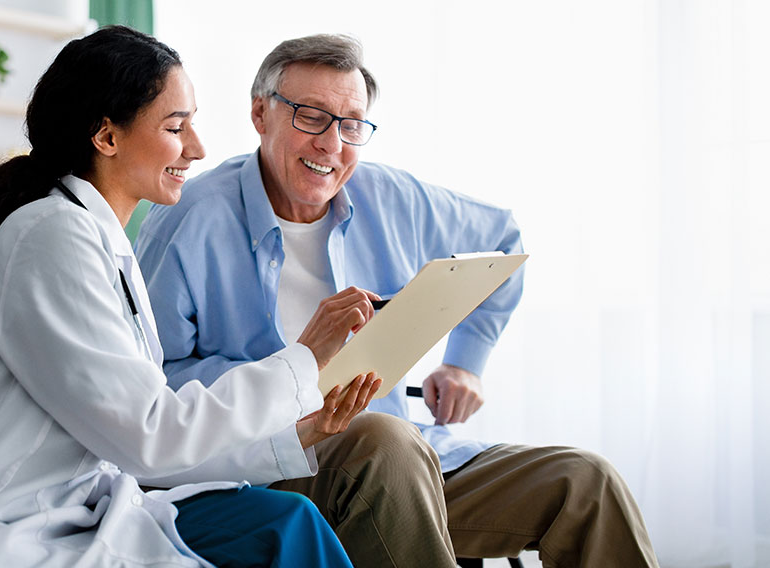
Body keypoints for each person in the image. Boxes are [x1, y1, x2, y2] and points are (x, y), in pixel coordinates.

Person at [135, 34, 658, 567]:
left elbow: (503, 240)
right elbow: (153, 389)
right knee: (383, 440)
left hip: (407, 462)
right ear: (260, 114)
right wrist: (294, 376)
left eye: (351, 124)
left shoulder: (392, 197)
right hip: (271, 465)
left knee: (584, 483)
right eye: (311, 117)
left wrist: (464, 364)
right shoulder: (186, 221)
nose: (332, 145)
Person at [0, 26, 382, 568]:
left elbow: (137, 448)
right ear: (107, 136)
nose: (197, 148)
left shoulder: (102, 243)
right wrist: (303, 360)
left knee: (287, 522)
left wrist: (299, 434)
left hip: (71, 513)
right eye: (175, 126)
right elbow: (150, 437)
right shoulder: (50, 237)